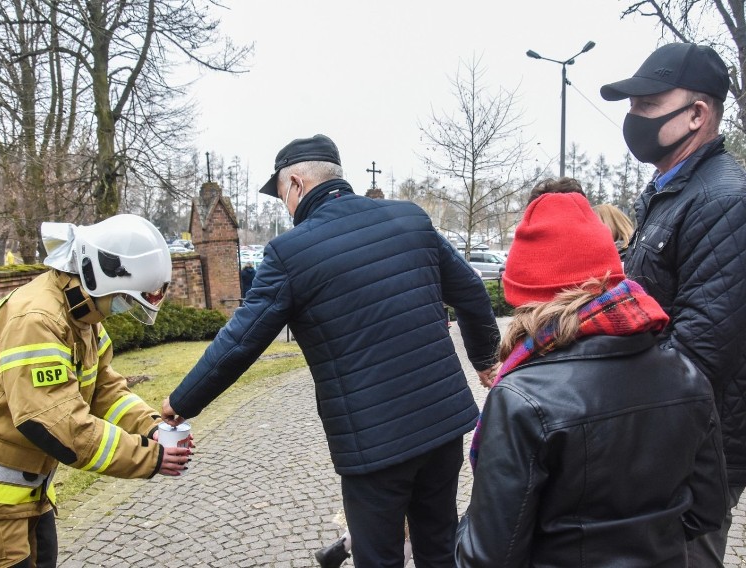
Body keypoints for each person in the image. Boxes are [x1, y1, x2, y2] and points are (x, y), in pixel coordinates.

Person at [162, 134, 500, 567]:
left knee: (378, 557)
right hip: (443, 426)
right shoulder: (410, 220)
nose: (285, 205)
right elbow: (472, 290)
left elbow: (241, 342)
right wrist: (486, 360)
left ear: (298, 185)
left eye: (282, 193)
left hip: (373, 444)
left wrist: (181, 402)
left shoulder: (290, 253)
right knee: (438, 547)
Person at [455, 191, 728, 567]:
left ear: (526, 298)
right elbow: (706, 513)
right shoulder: (686, 376)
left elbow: (489, 556)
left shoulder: (522, 397)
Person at [601, 42, 746, 566]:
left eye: (646, 105)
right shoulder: (674, 193)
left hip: (693, 457)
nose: (632, 117)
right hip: (655, 440)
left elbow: (698, 356)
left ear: (697, 114)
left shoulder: (730, 203)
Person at [0, 214, 192, 568]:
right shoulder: (38, 319)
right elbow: (55, 422)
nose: (122, 308)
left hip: (24, 494)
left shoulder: (82, 318)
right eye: (124, 298)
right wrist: (148, 457)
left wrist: (152, 426)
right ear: (100, 274)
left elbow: (105, 391)